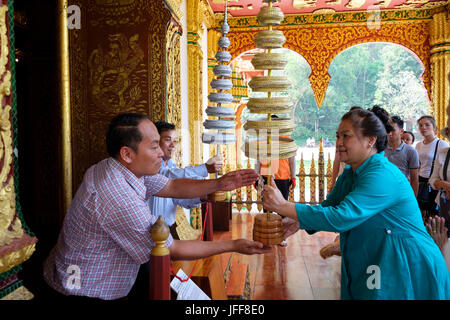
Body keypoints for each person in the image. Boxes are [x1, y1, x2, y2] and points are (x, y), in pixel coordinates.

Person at [42, 113, 271, 300]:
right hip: (85, 291)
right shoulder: (117, 195)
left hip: (91, 277)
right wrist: (234, 245)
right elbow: (171, 249)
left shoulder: (117, 167)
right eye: (154, 147)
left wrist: (221, 183)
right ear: (127, 153)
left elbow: (171, 186)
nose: (162, 153)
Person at [262, 108, 450, 299]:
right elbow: (329, 208)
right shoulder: (350, 174)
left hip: (405, 261)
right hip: (375, 257)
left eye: (346, 136)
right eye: (337, 136)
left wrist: (282, 206)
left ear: (371, 140)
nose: (339, 143)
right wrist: (299, 222)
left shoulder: (381, 174)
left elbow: (341, 216)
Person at [149, 121, 222, 234]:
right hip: (149, 230)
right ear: (156, 142)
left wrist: (202, 196)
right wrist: (205, 169)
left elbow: (180, 198)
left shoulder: (172, 166)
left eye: (175, 140)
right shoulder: (150, 165)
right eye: (168, 140)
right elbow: (170, 176)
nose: (173, 145)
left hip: (166, 231)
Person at [415, 115, 449, 218]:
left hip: (434, 181)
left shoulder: (441, 144)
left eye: (427, 125)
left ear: (434, 127)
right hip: (420, 180)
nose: (423, 128)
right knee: (420, 211)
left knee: (433, 213)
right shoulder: (418, 145)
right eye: (420, 125)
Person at [385, 115, 419, 196]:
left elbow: (414, 179)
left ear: (401, 131)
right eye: (387, 130)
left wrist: (413, 201)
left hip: (401, 193)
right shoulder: (380, 149)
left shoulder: (411, 151)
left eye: (393, 130)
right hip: (383, 192)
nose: (389, 134)